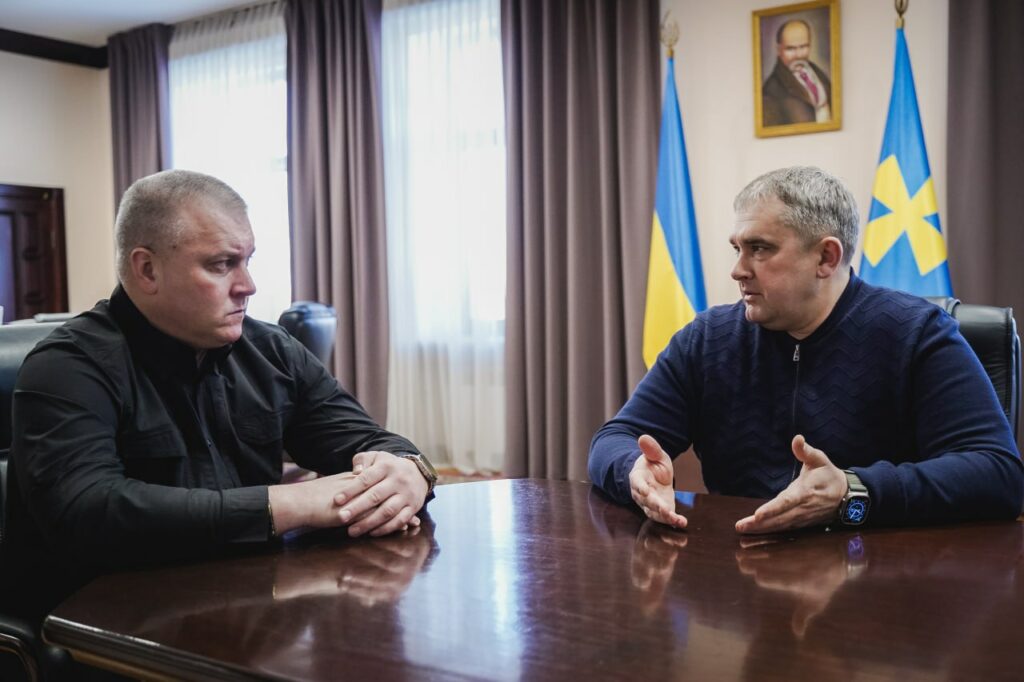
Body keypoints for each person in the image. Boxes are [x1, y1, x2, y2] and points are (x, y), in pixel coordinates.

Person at [4, 169, 438, 619]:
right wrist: (291, 503)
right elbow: (88, 512)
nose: (248, 285)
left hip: (245, 605)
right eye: (221, 264)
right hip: (108, 620)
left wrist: (409, 471)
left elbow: (369, 441)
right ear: (147, 270)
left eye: (247, 261)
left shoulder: (271, 350)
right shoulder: (67, 366)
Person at [589, 166, 1022, 534]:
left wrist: (852, 490)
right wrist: (633, 471)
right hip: (739, 575)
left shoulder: (916, 333)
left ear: (826, 258)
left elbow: (998, 474)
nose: (738, 270)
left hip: (878, 577)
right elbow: (614, 439)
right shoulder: (708, 339)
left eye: (759, 249)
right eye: (738, 248)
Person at [762, 19, 832, 126]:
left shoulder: (818, 73)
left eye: (803, 47)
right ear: (778, 50)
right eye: (790, 49)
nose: (798, 55)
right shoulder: (771, 91)